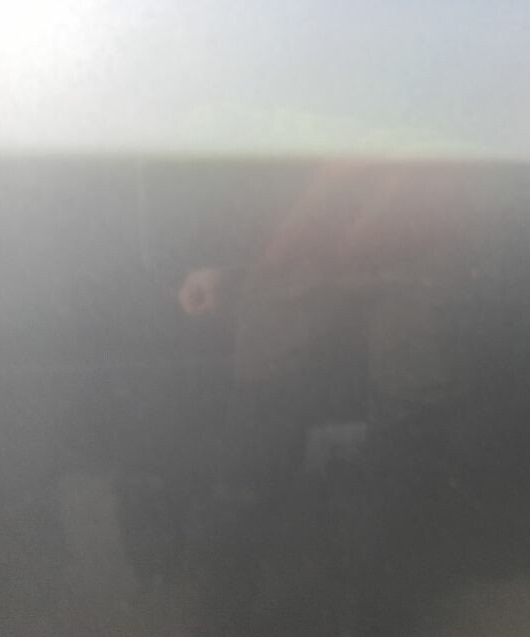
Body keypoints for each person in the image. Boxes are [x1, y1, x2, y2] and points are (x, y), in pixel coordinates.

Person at [177, 161, 473, 635]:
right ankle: (228, 611)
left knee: (409, 439)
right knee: (253, 446)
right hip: (295, 241)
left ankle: (382, 611)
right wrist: (225, 264)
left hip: (423, 236)